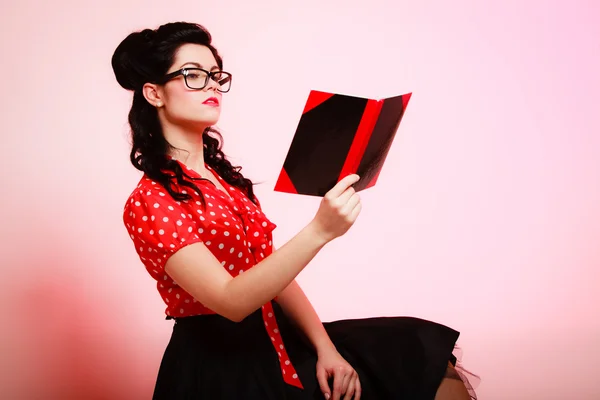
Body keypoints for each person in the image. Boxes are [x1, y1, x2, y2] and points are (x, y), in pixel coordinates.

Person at [112, 21, 479, 400]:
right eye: (192, 75)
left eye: (215, 75)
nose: (210, 85)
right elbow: (231, 301)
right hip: (221, 367)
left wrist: (326, 348)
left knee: (416, 349)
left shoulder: (228, 183)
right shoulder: (151, 201)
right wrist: (320, 230)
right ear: (154, 94)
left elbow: (275, 276)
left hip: (277, 338)